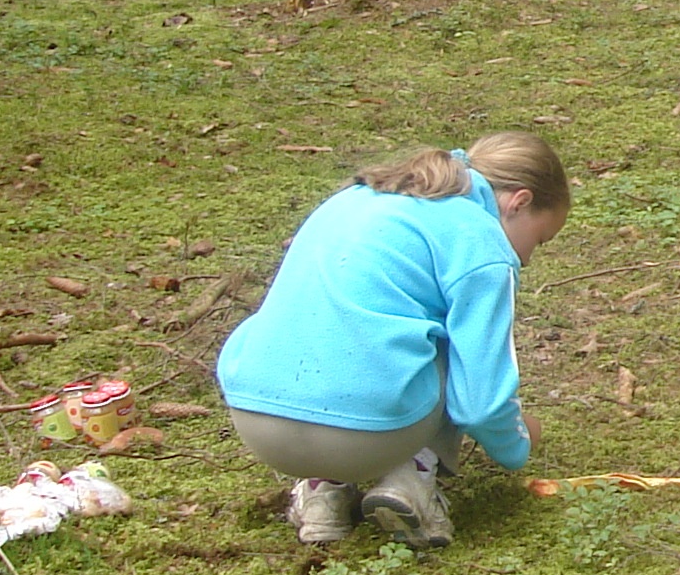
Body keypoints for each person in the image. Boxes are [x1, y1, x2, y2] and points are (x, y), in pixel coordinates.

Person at [217, 133, 568, 551]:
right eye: (539, 239)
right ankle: (411, 480)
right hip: (367, 437)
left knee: (345, 325)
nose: (528, 258)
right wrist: (516, 442)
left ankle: (322, 493)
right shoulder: (479, 238)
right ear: (520, 202)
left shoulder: (355, 198)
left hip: (257, 419)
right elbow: (481, 402)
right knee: (452, 339)